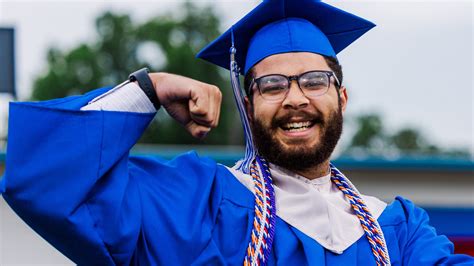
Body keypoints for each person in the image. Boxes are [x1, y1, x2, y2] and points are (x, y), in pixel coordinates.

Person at [1, 0, 473, 265]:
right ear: (248, 108)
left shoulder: (397, 232)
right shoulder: (197, 204)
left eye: (314, 81)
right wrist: (150, 88)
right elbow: (44, 179)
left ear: (342, 99)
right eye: (271, 85)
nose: (295, 98)